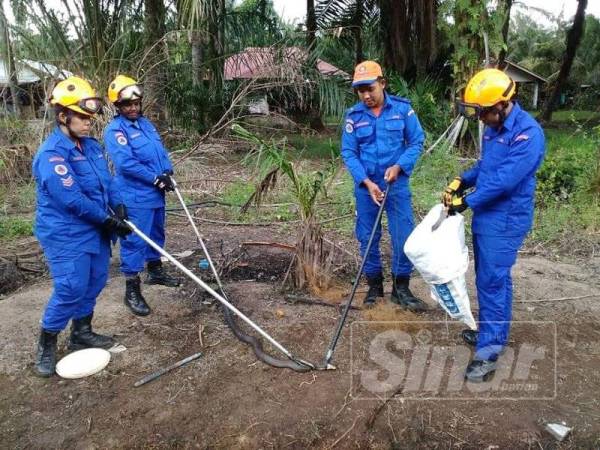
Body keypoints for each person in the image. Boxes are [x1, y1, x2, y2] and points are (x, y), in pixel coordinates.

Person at [444, 68, 546, 382]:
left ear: (502, 106)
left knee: (491, 280)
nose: (481, 120)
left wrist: (466, 201)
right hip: (487, 216)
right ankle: (494, 331)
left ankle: (489, 350)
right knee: (491, 278)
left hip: (506, 219)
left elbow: (505, 181)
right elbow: (488, 168)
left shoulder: (528, 135)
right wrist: (463, 180)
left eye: (484, 113)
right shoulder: (493, 127)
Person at [32, 76, 131, 377]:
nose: (90, 123)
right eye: (83, 117)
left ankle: (81, 332)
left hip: (96, 228)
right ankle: (46, 342)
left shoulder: (90, 146)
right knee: (71, 286)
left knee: (96, 280)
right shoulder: (52, 155)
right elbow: (71, 199)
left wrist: (119, 206)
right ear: (64, 116)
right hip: (66, 232)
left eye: (91, 117)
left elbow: (107, 182)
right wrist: (106, 218)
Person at [341, 61, 427, 311]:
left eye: (370, 88)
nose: (366, 95)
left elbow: (416, 141)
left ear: (382, 83)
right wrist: (367, 182)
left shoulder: (403, 110)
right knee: (368, 237)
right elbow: (348, 152)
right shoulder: (353, 117)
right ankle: (374, 287)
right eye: (360, 91)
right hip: (366, 188)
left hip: (396, 185)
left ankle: (401, 288)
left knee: (403, 235)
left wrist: (399, 166)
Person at [104, 75, 179, 317]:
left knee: (157, 232)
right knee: (136, 240)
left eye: (136, 104)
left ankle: (155, 271)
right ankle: (132, 288)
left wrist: (166, 171)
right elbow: (126, 164)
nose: (133, 108)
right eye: (128, 105)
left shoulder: (146, 124)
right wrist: (154, 178)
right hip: (135, 195)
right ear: (118, 106)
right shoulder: (115, 130)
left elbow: (160, 152)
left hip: (155, 194)